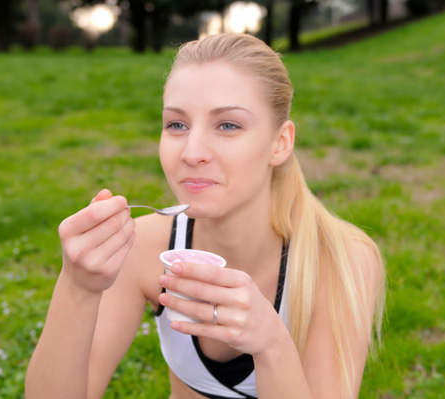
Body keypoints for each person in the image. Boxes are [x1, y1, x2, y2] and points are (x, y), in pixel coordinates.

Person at [25, 33, 385, 399]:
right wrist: (78, 286)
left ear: (280, 143)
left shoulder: (341, 259)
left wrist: (272, 344)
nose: (192, 152)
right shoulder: (143, 247)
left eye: (227, 125)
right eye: (176, 125)